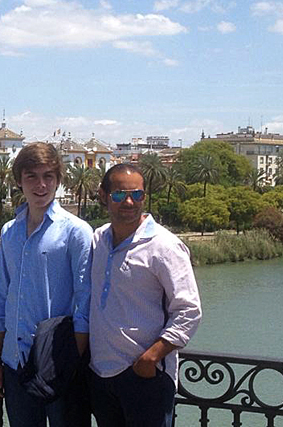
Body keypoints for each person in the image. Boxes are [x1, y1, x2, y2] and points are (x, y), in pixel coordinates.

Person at [0, 142, 93, 427]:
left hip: (59, 363)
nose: (40, 184)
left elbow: (85, 302)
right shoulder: (10, 232)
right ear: (19, 180)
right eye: (31, 176)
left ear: (58, 181)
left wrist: (73, 362)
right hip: (14, 361)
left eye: (48, 176)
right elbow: (0, 297)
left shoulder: (76, 232)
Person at [89, 164, 202, 427]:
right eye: (119, 194)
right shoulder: (98, 240)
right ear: (104, 196)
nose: (128, 201)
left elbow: (189, 310)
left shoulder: (164, 246)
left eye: (136, 194)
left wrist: (150, 359)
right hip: (101, 374)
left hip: (144, 376)